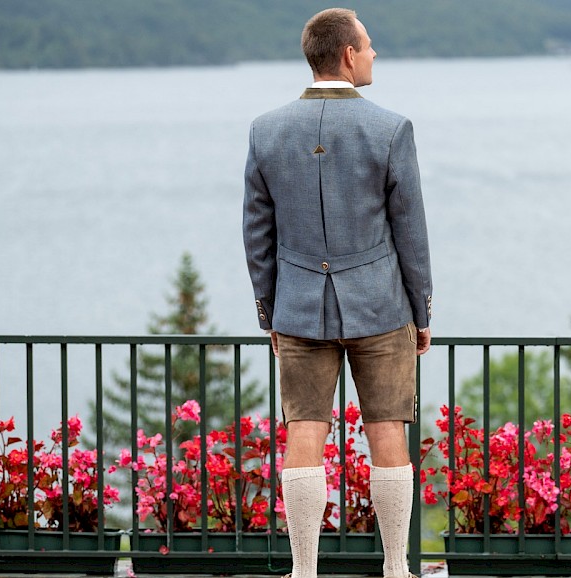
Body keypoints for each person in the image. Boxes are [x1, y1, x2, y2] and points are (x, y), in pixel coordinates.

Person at [242, 8, 432, 578]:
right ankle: (396, 568)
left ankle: (305, 571)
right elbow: (411, 232)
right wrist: (421, 310)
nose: (374, 54)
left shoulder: (266, 130)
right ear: (348, 54)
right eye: (369, 46)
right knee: (387, 429)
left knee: (303, 430)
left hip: (297, 307)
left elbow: (258, 233)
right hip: (381, 305)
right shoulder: (391, 128)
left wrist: (268, 310)